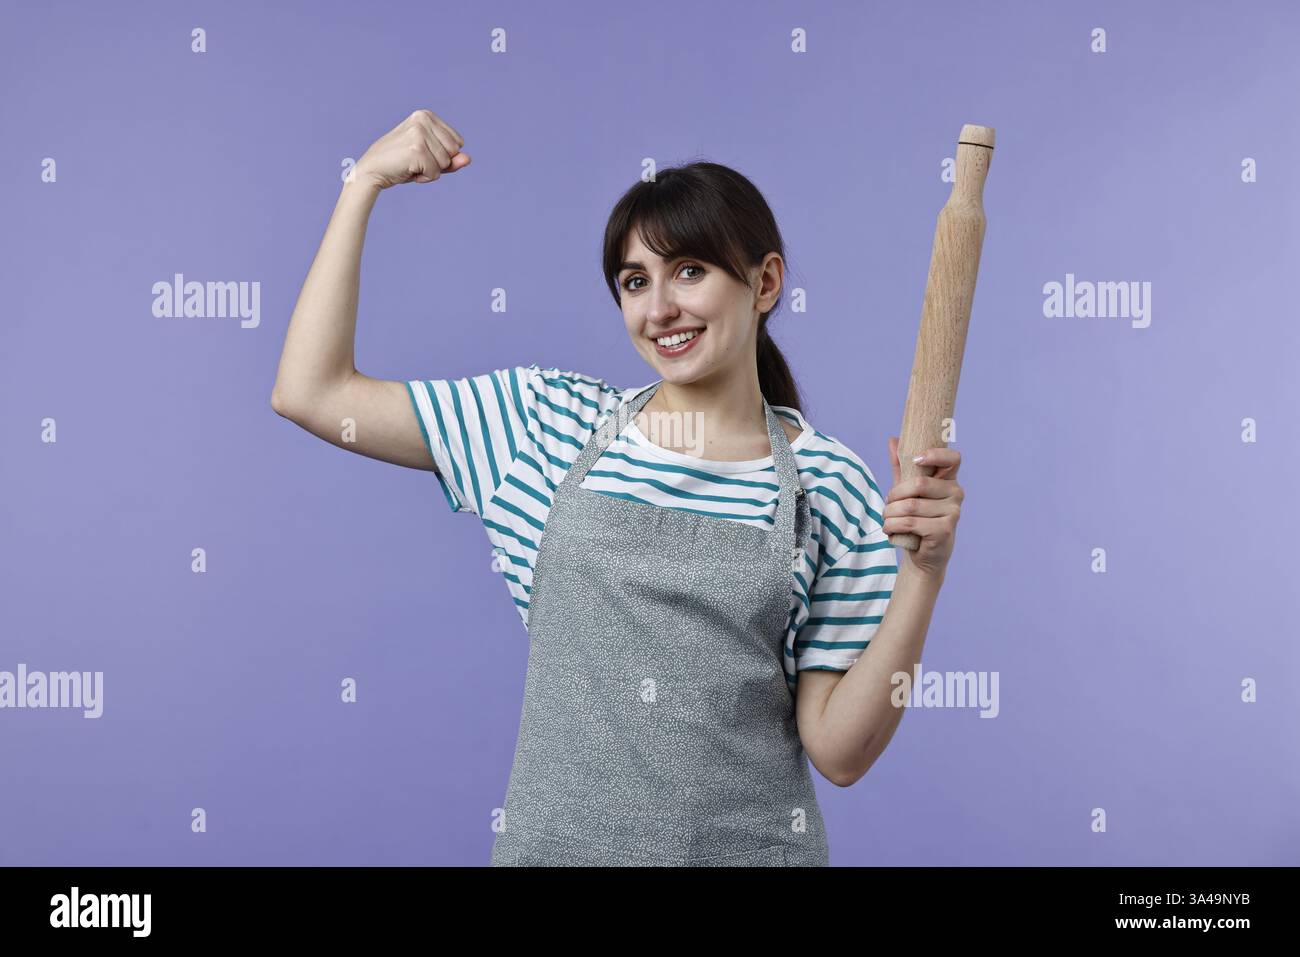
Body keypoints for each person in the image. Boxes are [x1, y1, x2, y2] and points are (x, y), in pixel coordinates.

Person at [271, 109, 965, 867]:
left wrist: (923, 575)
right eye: (636, 282)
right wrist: (363, 182)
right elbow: (312, 391)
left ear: (765, 282)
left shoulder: (829, 483)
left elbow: (840, 750)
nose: (660, 308)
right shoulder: (545, 424)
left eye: (690, 271)